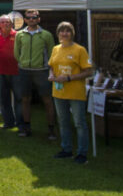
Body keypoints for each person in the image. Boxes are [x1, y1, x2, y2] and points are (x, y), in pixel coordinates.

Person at [48, 21, 94, 164]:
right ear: (58, 34)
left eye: (67, 31)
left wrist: (69, 78)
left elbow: (88, 72)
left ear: (72, 33)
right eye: (62, 31)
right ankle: (66, 149)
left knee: (79, 123)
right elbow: (51, 66)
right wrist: (51, 75)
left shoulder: (80, 50)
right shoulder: (55, 49)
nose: (64, 34)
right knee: (63, 122)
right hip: (59, 92)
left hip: (75, 92)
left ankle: (82, 153)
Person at [14, 9, 57, 140]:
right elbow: (16, 53)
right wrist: (22, 62)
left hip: (41, 71)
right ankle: (26, 127)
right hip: (24, 70)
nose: (31, 20)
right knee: (25, 99)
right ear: (25, 20)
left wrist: (48, 67)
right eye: (29, 18)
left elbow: (52, 53)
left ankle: (51, 129)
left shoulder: (46, 35)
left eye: (34, 17)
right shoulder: (20, 34)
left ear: (39, 19)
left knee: (47, 100)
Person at [0, 15, 20, 130]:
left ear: (12, 24)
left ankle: (20, 122)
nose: (6, 24)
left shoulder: (18, 36)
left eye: (8, 22)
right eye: (3, 22)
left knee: (18, 98)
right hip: (0, 71)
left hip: (16, 71)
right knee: (3, 98)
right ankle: (8, 122)